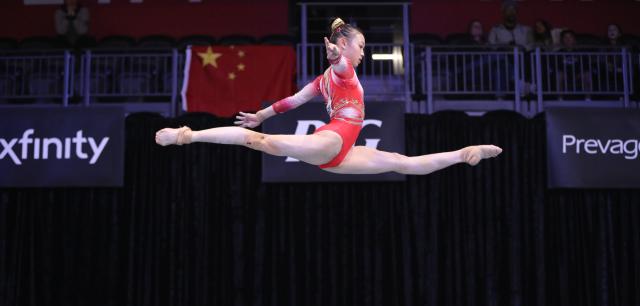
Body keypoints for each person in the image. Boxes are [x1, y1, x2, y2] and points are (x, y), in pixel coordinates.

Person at [156, 18, 502, 175]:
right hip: (332, 140)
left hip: (338, 155)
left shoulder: (321, 82)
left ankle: (463, 154)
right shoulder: (341, 70)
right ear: (344, 45)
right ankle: (186, 135)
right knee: (256, 140)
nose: (364, 53)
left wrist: (263, 113)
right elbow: (339, 67)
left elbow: (291, 101)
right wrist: (336, 57)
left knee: (401, 163)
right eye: (361, 46)